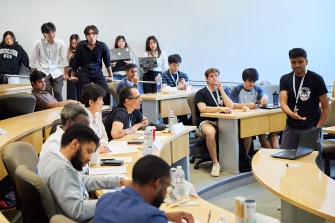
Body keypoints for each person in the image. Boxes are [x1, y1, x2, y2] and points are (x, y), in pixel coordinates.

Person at [37, 123, 132, 222]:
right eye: (89, 151)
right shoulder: (61, 170)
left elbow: (82, 180)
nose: (90, 158)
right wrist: (115, 201)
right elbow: (78, 211)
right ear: (74, 144)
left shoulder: (51, 157)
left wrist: (120, 182)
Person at [94, 155, 194, 223]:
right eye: (167, 187)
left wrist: (164, 215)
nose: (165, 194)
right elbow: (143, 216)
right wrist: (159, 217)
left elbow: (127, 214)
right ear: (157, 184)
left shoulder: (105, 199)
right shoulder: (152, 218)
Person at [280, 48, 329, 149]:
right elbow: (283, 104)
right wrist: (291, 114)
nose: (297, 65)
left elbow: (326, 108)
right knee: (287, 162)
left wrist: (318, 128)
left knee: (311, 162)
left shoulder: (316, 79)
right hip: (291, 127)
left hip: (310, 128)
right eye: (293, 62)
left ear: (306, 61)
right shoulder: (285, 79)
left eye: (300, 62)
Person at [194, 68, 233, 177]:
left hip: (224, 121)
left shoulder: (223, 90)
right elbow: (202, 109)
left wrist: (221, 90)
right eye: (211, 76)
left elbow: (230, 106)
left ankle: (239, 160)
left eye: (216, 75)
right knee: (210, 133)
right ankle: (216, 163)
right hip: (207, 121)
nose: (214, 77)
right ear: (206, 79)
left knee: (241, 128)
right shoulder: (201, 93)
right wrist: (219, 109)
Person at [230, 68, 279, 153]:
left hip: (256, 118)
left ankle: (272, 154)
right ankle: (245, 158)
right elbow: (231, 105)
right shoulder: (237, 89)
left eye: (254, 81)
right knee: (249, 132)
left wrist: (265, 98)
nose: (252, 84)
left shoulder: (258, 89)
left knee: (264, 132)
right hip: (241, 119)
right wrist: (246, 105)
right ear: (244, 80)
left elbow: (262, 100)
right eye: (249, 81)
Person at [70, 25, 112, 105]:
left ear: (97, 34)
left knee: (105, 91)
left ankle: (105, 112)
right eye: (89, 34)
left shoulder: (102, 46)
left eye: (93, 34)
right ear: (86, 36)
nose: (91, 36)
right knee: (83, 93)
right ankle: (82, 111)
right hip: (84, 71)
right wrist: (73, 75)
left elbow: (107, 62)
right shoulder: (80, 45)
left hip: (97, 71)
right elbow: (75, 61)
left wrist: (111, 75)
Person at [30, 22, 68, 101]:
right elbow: (33, 60)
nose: (51, 35)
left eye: (53, 32)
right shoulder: (38, 43)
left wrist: (66, 73)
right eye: (48, 33)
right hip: (44, 72)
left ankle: (61, 110)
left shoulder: (60, 43)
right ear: (44, 34)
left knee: (58, 92)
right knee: (46, 93)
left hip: (57, 72)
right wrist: (35, 75)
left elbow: (64, 59)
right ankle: (49, 111)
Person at [81, 83, 110, 153]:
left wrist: (102, 146)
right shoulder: (83, 118)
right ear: (91, 102)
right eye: (100, 99)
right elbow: (86, 143)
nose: (102, 102)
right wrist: (97, 149)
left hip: (101, 151)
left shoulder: (97, 114)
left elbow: (104, 135)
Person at [67, 34, 80, 100]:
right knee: (72, 92)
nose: (74, 45)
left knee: (80, 91)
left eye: (76, 43)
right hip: (71, 72)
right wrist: (70, 57)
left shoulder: (82, 50)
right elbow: (65, 63)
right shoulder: (68, 50)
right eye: (73, 43)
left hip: (80, 72)